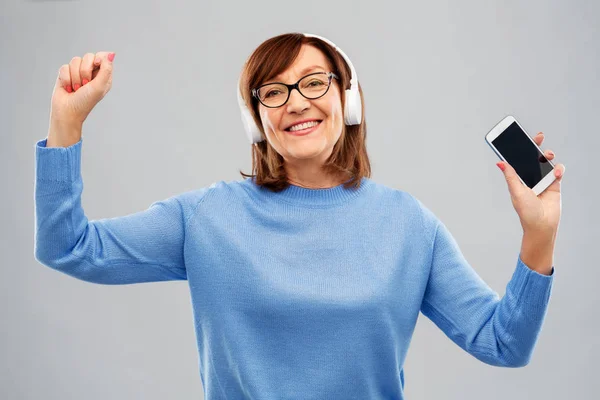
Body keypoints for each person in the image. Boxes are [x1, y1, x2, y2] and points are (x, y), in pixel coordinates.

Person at [34, 32, 565, 399]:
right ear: (256, 119)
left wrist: (538, 236)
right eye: (274, 91)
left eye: (314, 82)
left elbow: (504, 344)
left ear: (348, 98)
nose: (295, 102)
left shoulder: (409, 225)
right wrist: (66, 124)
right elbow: (68, 247)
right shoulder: (206, 217)